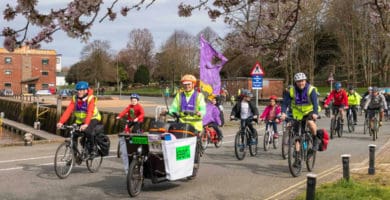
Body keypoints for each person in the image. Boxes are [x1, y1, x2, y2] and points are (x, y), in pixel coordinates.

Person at [57, 81, 102, 158]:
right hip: (81, 120)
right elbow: (68, 111)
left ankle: (93, 149)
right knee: (73, 134)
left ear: (86, 90)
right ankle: (74, 156)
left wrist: (86, 124)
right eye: (78, 90)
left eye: (81, 90)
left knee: (88, 131)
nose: (79, 92)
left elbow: (90, 112)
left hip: (93, 118)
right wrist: (61, 122)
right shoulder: (75, 99)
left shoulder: (90, 98)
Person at [280, 72, 320, 151]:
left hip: (310, 110)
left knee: (310, 123)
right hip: (297, 113)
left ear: (305, 81)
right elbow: (285, 103)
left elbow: (315, 103)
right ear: (295, 82)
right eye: (299, 81)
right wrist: (283, 113)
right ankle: (297, 157)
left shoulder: (311, 89)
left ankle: (315, 139)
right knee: (297, 136)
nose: (301, 83)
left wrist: (315, 113)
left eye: (302, 81)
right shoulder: (291, 90)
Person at [116, 93, 144, 174]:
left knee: (135, 131)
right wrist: (119, 116)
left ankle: (137, 135)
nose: (133, 102)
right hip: (131, 120)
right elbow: (124, 111)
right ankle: (127, 137)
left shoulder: (139, 107)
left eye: (135, 100)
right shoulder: (130, 106)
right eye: (132, 100)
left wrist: (137, 118)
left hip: (138, 121)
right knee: (126, 128)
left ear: (137, 101)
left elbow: (142, 114)